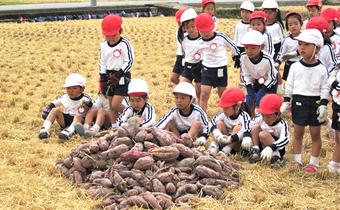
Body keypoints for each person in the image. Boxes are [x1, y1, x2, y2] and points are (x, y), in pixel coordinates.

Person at [280, 29, 330, 173]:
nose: (302, 47)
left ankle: (313, 162)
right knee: (297, 133)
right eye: (300, 44)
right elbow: (289, 85)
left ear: (317, 48)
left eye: (307, 44)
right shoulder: (295, 67)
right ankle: (297, 160)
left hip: (314, 103)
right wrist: (286, 101)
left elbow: (324, 89)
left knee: (315, 134)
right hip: (298, 102)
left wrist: (323, 106)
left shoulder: (321, 69)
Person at [194, 13, 240, 113]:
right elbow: (198, 54)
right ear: (198, 30)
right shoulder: (199, 41)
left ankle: (227, 112)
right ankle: (202, 116)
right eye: (203, 31)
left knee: (222, 93)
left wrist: (237, 55)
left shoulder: (220, 37)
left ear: (213, 27)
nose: (206, 33)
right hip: (207, 69)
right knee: (204, 93)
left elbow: (232, 45)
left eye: (208, 30)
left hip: (220, 68)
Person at [99, 14, 134, 129]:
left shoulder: (124, 44)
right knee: (111, 106)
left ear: (121, 30)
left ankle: (132, 116)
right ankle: (114, 127)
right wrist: (103, 77)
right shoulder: (104, 45)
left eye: (114, 35)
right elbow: (102, 61)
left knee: (115, 104)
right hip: (109, 76)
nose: (111, 38)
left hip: (122, 76)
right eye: (107, 36)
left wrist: (119, 74)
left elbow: (129, 61)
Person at [306, 16, 338, 142]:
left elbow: (333, 65)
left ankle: (331, 127)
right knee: (306, 111)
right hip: (308, 82)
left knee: (318, 110)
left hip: (322, 83)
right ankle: (303, 138)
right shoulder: (306, 48)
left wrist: (326, 78)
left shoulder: (327, 48)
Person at [39, 73, 93, 140]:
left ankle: (68, 132)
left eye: (75, 88)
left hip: (79, 122)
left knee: (78, 117)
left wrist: (87, 102)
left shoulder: (85, 98)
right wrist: (49, 107)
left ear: (82, 89)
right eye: (68, 88)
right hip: (66, 119)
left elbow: (92, 107)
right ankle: (45, 129)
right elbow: (54, 103)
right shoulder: (65, 96)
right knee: (55, 110)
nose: (71, 91)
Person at [155, 82, 209, 146]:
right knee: (168, 123)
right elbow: (163, 120)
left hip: (192, 134)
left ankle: (186, 143)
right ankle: (165, 142)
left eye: (183, 98)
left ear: (192, 100)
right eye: (176, 97)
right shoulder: (174, 110)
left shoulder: (198, 111)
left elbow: (206, 126)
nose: (179, 100)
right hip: (177, 134)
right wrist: (154, 130)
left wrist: (204, 137)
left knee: (196, 124)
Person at [240, 30, 278, 118]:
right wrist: (249, 90)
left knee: (266, 105)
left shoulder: (267, 59)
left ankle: (268, 122)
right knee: (251, 103)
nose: (249, 51)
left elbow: (272, 77)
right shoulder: (243, 57)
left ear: (262, 47)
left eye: (253, 48)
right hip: (256, 81)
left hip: (269, 83)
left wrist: (263, 90)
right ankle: (252, 122)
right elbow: (245, 74)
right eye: (246, 48)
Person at [244, 94, 289, 167]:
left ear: (278, 114)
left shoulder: (282, 125)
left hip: (276, 148)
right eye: (263, 115)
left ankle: (276, 158)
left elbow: (285, 139)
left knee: (263, 134)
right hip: (262, 145)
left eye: (269, 117)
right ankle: (256, 150)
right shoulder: (260, 118)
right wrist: (247, 136)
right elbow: (248, 125)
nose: (265, 119)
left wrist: (271, 147)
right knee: (255, 127)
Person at [208, 87, 252, 156]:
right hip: (224, 140)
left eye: (227, 107)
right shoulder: (223, 114)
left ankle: (226, 150)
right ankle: (214, 146)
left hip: (236, 145)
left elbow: (247, 129)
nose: (224, 110)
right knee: (219, 123)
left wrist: (230, 139)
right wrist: (217, 133)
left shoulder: (244, 116)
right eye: (223, 107)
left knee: (238, 128)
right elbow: (212, 122)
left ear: (238, 106)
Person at [177, 8, 202, 104]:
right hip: (188, 67)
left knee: (200, 92)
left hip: (200, 67)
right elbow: (184, 53)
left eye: (193, 26)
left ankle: (200, 112)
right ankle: (188, 106)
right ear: (184, 28)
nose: (191, 29)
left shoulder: (202, 39)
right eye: (188, 27)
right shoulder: (184, 40)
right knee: (181, 88)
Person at [275, 11, 303, 81]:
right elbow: (282, 52)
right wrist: (278, 62)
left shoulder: (305, 38)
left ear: (301, 24)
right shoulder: (286, 40)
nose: (293, 26)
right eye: (290, 25)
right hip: (289, 64)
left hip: (301, 63)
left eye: (296, 24)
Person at [233, 1, 254, 88]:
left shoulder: (253, 24)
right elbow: (235, 37)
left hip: (251, 47)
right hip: (240, 47)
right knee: (241, 65)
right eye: (243, 12)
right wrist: (234, 50)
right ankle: (242, 82)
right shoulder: (238, 24)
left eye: (247, 12)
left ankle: (252, 81)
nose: (244, 14)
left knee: (252, 64)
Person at [326, 68, 340, 174]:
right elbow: (330, 76)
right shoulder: (337, 67)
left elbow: (332, 82)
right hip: (337, 104)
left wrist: (334, 83)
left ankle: (333, 165)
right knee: (338, 139)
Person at [170, 8, 188, 85]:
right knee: (173, 78)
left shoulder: (192, 34)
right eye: (178, 22)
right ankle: (189, 90)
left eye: (181, 22)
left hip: (187, 58)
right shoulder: (178, 31)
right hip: (179, 57)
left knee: (186, 80)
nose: (179, 24)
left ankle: (188, 92)